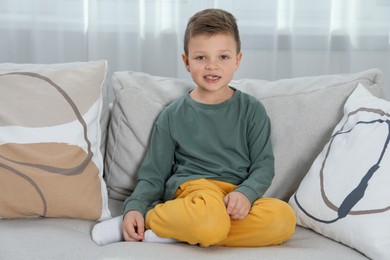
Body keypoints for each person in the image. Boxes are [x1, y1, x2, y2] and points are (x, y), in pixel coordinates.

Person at [92, 8, 296, 247]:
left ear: (237, 60)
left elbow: (263, 165)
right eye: (201, 58)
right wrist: (135, 208)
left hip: (232, 197)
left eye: (223, 57)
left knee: (283, 219)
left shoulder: (252, 110)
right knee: (209, 218)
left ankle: (182, 230)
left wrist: (246, 193)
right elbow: (153, 174)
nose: (212, 66)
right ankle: (150, 220)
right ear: (187, 62)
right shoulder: (172, 115)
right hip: (193, 191)